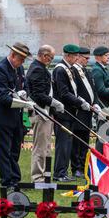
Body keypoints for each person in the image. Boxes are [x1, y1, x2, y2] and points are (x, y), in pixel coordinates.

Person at [0, 42, 33, 190]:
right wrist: (17, 98)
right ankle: (6, 180)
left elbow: (25, 84)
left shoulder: (18, 67)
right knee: (4, 150)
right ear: (13, 55)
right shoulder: (0, 69)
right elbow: (2, 96)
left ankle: (15, 178)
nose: (22, 63)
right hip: (3, 115)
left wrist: (25, 94)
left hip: (17, 115)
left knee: (15, 148)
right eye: (21, 59)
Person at [52, 44, 91, 182]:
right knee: (63, 144)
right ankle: (59, 173)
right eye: (74, 56)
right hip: (63, 113)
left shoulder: (69, 69)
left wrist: (80, 99)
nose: (76, 58)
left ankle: (63, 172)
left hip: (70, 113)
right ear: (67, 55)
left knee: (67, 144)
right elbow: (63, 93)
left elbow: (73, 91)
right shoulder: (60, 70)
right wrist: (80, 103)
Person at [26, 45, 65, 183]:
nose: (51, 60)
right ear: (43, 55)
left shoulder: (40, 68)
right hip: (40, 112)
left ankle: (45, 174)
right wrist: (54, 102)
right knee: (41, 147)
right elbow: (38, 94)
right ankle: (38, 177)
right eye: (51, 58)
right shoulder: (37, 69)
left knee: (46, 146)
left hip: (46, 112)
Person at [70, 47, 102, 178]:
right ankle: (76, 167)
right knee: (77, 140)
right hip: (79, 110)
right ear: (78, 57)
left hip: (88, 110)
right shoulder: (73, 71)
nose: (87, 61)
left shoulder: (87, 72)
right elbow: (74, 90)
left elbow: (93, 90)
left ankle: (83, 165)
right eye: (86, 58)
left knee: (85, 140)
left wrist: (95, 103)